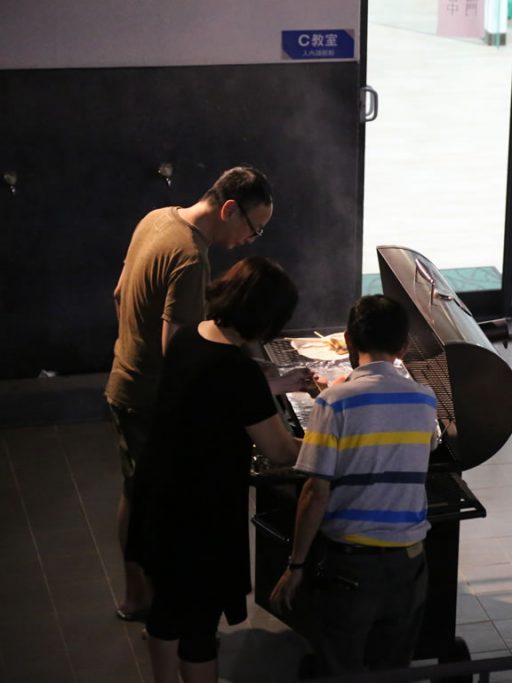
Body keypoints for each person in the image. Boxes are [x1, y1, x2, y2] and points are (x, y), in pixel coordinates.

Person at [105, 165, 309, 620]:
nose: (250, 240)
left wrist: (132, 347)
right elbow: (180, 350)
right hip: (149, 394)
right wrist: (250, 383)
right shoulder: (191, 256)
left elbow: (120, 294)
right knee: (156, 502)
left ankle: (140, 595)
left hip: (127, 376)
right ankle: (155, 603)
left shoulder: (157, 218)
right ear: (229, 209)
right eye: (254, 228)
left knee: (137, 491)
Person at [126, 256, 304, 683]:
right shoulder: (238, 372)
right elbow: (280, 450)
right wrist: (335, 443)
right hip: (200, 514)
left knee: (167, 609)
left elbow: (214, 395)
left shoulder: (190, 337)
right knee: (199, 627)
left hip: (158, 495)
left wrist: (271, 384)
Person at [270, 295, 438, 675]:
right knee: (392, 669)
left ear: (348, 339)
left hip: (351, 568)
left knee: (341, 668)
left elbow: (315, 492)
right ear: (404, 347)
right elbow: (404, 443)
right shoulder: (425, 399)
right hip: (410, 563)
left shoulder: (334, 403)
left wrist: (296, 565)